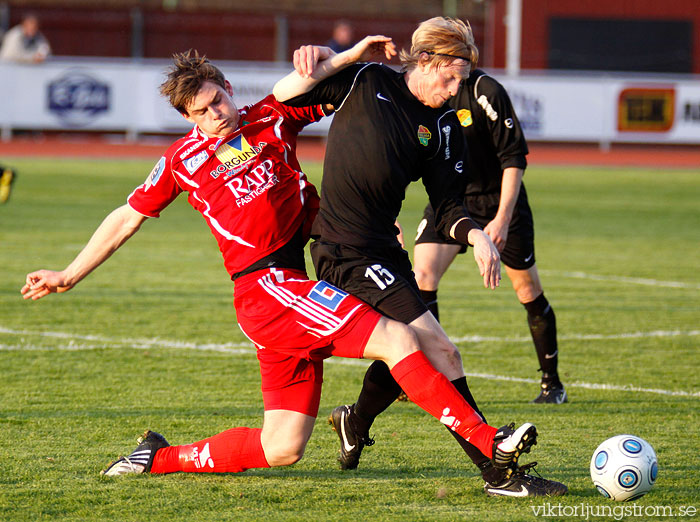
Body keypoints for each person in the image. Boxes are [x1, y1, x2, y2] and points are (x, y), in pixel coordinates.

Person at [21, 47, 538, 485]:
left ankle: (156, 457)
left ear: (227, 87)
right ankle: (489, 442)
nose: (216, 115)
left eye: (218, 100)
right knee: (399, 339)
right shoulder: (184, 160)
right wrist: (68, 273)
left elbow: (313, 84)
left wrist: (348, 53)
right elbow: (126, 217)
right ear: (188, 119)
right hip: (266, 289)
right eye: (201, 112)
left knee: (282, 447)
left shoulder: (267, 119)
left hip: (292, 285)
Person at [273, 17, 567, 497]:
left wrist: (476, 236)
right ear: (425, 61)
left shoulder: (444, 126)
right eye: (450, 78)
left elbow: (449, 205)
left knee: (406, 348)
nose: (455, 91)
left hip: (385, 254)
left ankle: (355, 420)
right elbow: (284, 98)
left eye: (462, 81)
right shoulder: (366, 81)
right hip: (342, 250)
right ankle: (497, 471)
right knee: (441, 349)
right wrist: (336, 57)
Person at [412, 67, 567, 405]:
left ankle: (552, 383)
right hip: (452, 200)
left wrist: (502, 219)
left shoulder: (486, 90)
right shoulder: (423, 90)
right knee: (421, 274)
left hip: (499, 201)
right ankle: (429, 377)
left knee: (527, 289)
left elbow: (513, 159)